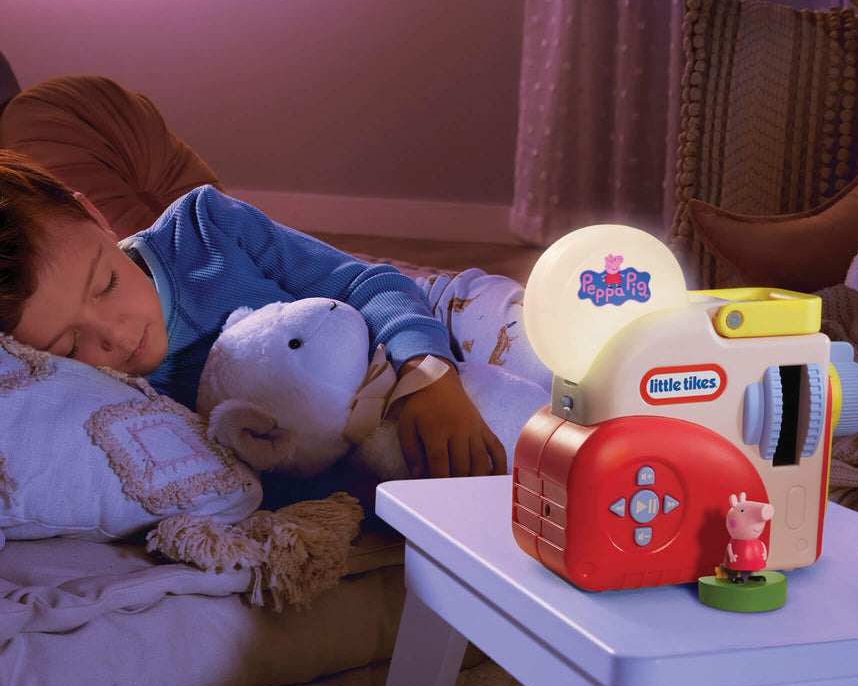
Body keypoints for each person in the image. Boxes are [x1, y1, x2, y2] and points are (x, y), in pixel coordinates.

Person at [0, 151, 550, 480]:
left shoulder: (204, 225)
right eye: (71, 347)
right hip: (362, 424)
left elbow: (366, 281)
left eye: (107, 283)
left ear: (93, 214)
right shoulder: (106, 402)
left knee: (571, 355)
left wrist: (429, 373)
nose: (116, 337)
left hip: (433, 312)